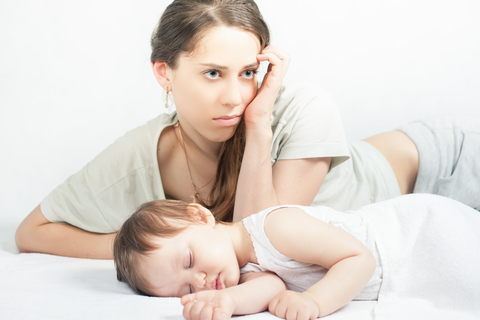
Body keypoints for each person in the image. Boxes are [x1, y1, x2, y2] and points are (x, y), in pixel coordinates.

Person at [15, 0, 480, 259]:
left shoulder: (302, 106)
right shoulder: (144, 154)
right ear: (164, 73)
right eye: (213, 73)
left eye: (247, 72)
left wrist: (258, 127)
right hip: (416, 226)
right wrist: (154, 245)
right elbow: (33, 231)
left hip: (444, 164)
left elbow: (262, 240)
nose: (236, 97)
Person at [113, 196, 480, 320]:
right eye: (183, 288)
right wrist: (222, 302)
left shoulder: (276, 227)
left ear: (200, 216)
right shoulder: (247, 269)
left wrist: (313, 301)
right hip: (403, 260)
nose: (199, 280)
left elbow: (359, 258)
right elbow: (267, 289)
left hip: (417, 236)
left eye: (189, 260)